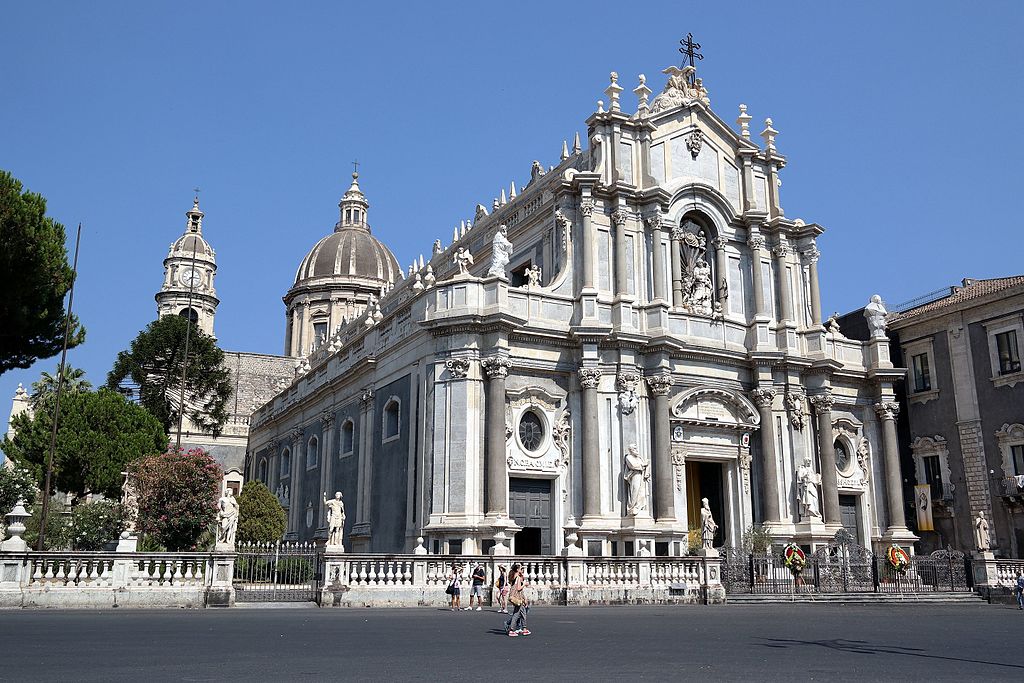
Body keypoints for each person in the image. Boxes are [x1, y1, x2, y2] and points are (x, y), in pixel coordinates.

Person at [504, 563, 531, 637]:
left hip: (516, 597)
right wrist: (524, 584)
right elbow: (519, 588)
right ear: (517, 569)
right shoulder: (518, 577)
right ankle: (513, 629)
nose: (522, 569)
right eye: (521, 568)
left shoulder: (513, 576)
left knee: (520, 613)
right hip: (518, 598)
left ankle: (523, 629)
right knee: (518, 614)